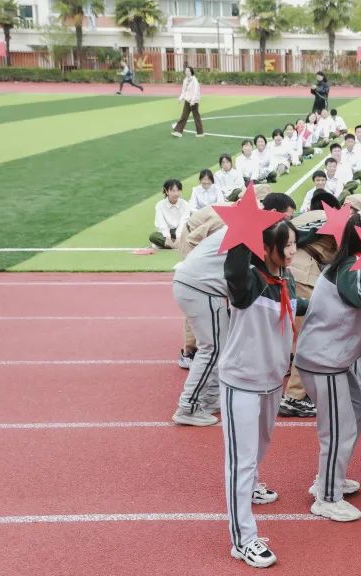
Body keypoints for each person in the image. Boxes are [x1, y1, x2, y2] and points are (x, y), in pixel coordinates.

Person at [295, 207, 361, 524]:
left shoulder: (354, 261)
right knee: (339, 427)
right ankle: (326, 496)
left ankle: (328, 478)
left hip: (334, 359)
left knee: (356, 411)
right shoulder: (352, 265)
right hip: (323, 360)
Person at [219, 219, 304, 569]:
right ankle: (243, 539)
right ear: (266, 248)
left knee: (261, 447)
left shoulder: (287, 278)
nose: (293, 250)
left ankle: (252, 484)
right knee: (241, 461)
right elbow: (235, 270)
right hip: (241, 381)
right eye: (287, 245)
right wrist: (245, 225)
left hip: (272, 382)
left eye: (295, 243)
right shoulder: (248, 281)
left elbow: (297, 308)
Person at [171, 191, 295, 427]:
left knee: (220, 345)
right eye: (286, 217)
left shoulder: (250, 225)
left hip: (196, 283)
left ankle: (207, 397)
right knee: (213, 347)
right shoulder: (258, 231)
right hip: (201, 286)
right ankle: (188, 406)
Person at [150, 178, 191, 249]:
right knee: (153, 236)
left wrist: (178, 237)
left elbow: (183, 222)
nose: (176, 193)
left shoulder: (185, 204)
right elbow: (161, 224)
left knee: (193, 233)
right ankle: (177, 244)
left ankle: (169, 244)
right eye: (173, 191)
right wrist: (168, 237)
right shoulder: (160, 205)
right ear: (166, 191)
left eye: (178, 190)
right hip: (167, 233)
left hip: (181, 231)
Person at [172, 65, 203, 137]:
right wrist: (180, 98)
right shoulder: (185, 80)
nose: (186, 72)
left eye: (188, 71)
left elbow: (196, 91)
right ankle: (178, 132)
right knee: (183, 116)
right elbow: (184, 91)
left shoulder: (194, 80)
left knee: (196, 117)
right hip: (187, 101)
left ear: (191, 72)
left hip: (194, 102)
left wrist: (193, 101)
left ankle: (200, 133)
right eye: (185, 71)